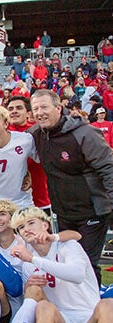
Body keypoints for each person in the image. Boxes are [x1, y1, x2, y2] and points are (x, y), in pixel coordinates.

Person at [9, 207, 113, 323]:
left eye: (31, 223)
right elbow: (40, 304)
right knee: (42, 306)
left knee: (109, 305)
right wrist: (32, 288)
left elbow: (77, 274)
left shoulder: (67, 246)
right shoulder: (27, 262)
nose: (27, 229)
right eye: (21, 227)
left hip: (89, 322)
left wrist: (34, 259)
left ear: (45, 225)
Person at [29, 89, 113, 284]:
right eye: (35, 109)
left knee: (86, 265)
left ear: (59, 108)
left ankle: (96, 310)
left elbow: (108, 168)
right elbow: (11, 138)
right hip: (64, 213)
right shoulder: (37, 134)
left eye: (44, 107)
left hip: (92, 211)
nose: (40, 112)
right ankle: (76, 309)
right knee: (68, 263)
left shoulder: (85, 133)